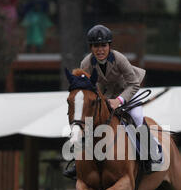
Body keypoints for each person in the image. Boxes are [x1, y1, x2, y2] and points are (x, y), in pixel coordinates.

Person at [63, 24, 161, 179]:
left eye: (103, 45)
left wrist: (120, 100)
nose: (100, 49)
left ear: (109, 46)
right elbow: (88, 89)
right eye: (96, 46)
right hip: (105, 97)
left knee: (136, 117)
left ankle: (152, 153)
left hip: (127, 92)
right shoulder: (85, 64)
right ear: (91, 47)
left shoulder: (119, 59)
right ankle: (79, 163)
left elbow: (134, 83)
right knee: (88, 122)